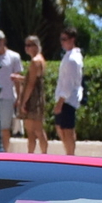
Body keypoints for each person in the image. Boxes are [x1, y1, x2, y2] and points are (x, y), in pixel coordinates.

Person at [52, 25, 85, 154]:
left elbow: (68, 84)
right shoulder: (70, 56)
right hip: (67, 98)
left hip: (68, 99)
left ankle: (70, 155)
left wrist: (60, 102)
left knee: (67, 129)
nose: (62, 42)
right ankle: (69, 153)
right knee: (61, 127)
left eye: (64, 39)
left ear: (72, 39)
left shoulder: (72, 59)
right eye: (61, 39)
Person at [18, 34, 49, 153]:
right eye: (26, 45)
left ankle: (43, 156)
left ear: (36, 46)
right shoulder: (41, 59)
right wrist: (20, 78)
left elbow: (31, 85)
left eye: (29, 45)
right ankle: (33, 155)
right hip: (38, 96)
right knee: (33, 130)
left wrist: (23, 102)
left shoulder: (35, 61)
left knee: (36, 130)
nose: (26, 48)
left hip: (33, 98)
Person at [0, 33, 24, 149]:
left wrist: (19, 98)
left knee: (4, 128)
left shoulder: (14, 56)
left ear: (4, 40)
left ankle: (5, 153)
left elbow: (17, 79)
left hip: (7, 97)